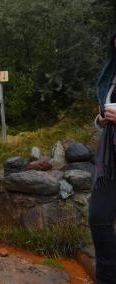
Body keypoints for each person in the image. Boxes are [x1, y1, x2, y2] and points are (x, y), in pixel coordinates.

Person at [89, 33, 116, 283]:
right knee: (98, 217)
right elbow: (102, 115)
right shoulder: (110, 76)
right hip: (110, 159)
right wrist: (100, 119)